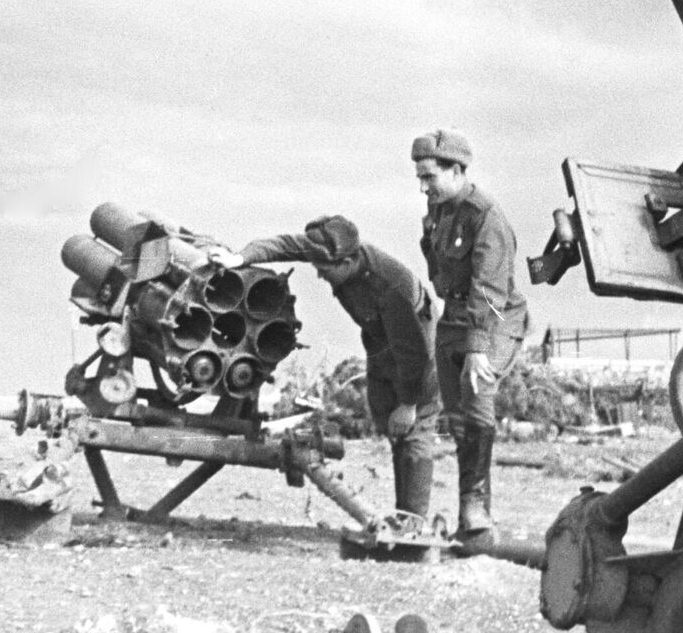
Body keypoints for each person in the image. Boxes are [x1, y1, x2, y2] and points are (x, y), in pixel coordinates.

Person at [209, 216, 441, 521]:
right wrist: (240, 257)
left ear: (348, 262)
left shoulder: (390, 285)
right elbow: (283, 245)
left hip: (418, 353)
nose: (319, 275)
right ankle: (404, 517)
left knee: (413, 430)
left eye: (325, 270)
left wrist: (410, 404)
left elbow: (416, 353)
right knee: (390, 423)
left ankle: (413, 523)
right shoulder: (329, 248)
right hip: (380, 344)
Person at [412, 129, 528, 544]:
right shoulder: (438, 211)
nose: (424, 186)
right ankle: (472, 516)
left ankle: (475, 505)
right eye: (420, 178)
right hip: (455, 315)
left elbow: (491, 290)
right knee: (457, 416)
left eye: (430, 177)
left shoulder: (486, 218)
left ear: (457, 170)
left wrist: (478, 348)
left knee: (476, 394)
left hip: (494, 318)